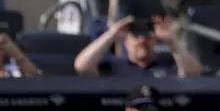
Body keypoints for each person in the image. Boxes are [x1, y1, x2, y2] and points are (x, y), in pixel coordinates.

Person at [73, 15, 201, 77]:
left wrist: (172, 42)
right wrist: (112, 34)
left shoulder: (168, 63)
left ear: (156, 41)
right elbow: (82, 66)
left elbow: (193, 72)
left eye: (148, 37)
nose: (142, 40)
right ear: (126, 42)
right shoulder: (114, 65)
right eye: (136, 36)